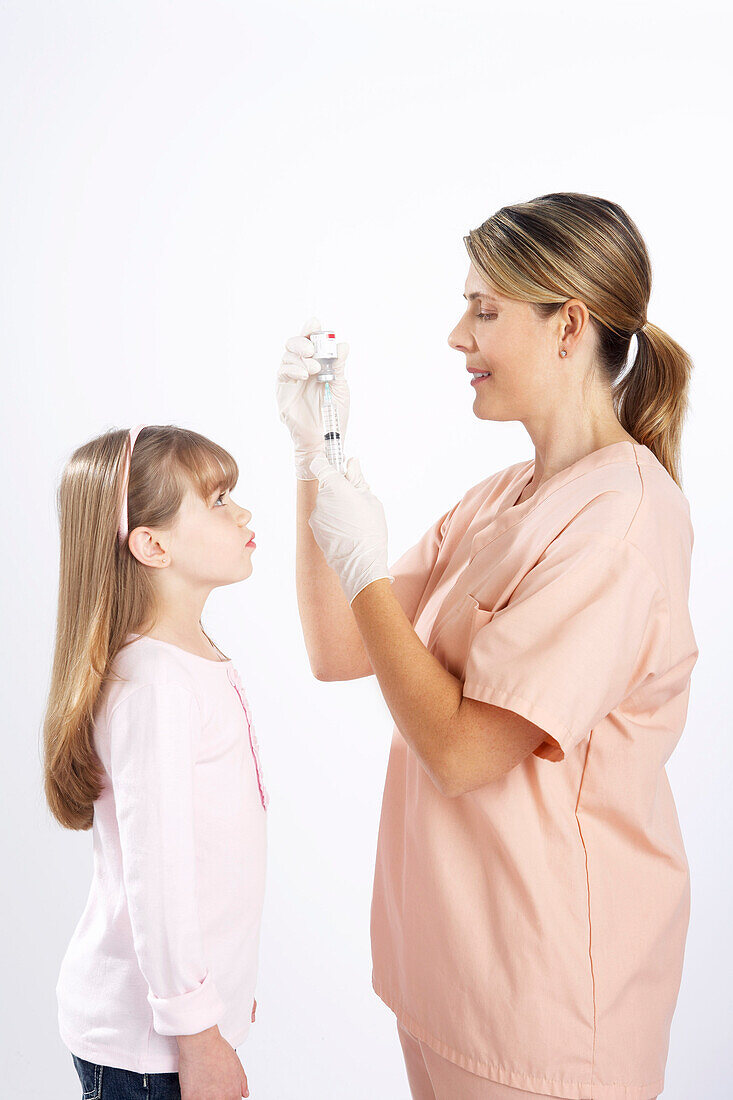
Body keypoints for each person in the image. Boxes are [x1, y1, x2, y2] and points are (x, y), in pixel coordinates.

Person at [276, 193, 698, 1100]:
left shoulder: (618, 527)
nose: (456, 336)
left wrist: (362, 565)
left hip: (542, 1007)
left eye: (485, 310)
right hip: (449, 979)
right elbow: (340, 647)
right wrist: (317, 463)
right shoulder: (505, 494)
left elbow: (464, 753)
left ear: (568, 326)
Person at [44, 425, 267, 1100]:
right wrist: (198, 1037)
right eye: (220, 500)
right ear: (152, 543)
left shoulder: (183, 665)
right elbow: (159, 879)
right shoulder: (155, 685)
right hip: (151, 1049)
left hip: (167, 1037)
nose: (244, 513)